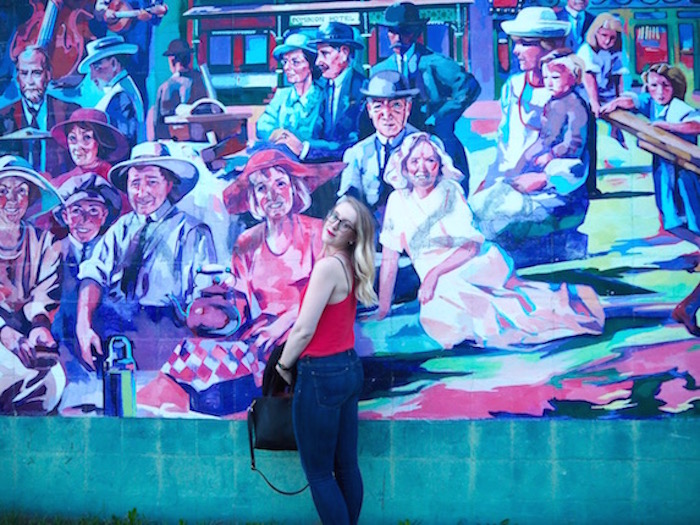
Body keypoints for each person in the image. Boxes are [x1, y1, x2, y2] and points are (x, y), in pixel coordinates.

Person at [146, 146, 346, 415]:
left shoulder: (318, 233)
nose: (273, 195)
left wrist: (280, 326)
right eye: (262, 189)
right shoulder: (246, 242)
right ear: (253, 199)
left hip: (305, 338)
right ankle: (159, 413)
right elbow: (241, 309)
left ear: (294, 189)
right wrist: (216, 305)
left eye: (280, 184)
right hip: (257, 344)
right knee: (188, 355)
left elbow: (327, 296)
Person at [377, 133, 605, 349]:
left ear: (439, 164)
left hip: (472, 262)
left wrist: (434, 275)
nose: (422, 168)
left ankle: (568, 308)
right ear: (404, 165)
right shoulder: (397, 201)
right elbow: (389, 256)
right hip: (438, 277)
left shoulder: (450, 191)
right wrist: (383, 308)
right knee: (441, 317)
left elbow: (471, 245)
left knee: (449, 306)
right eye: (415, 161)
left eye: (430, 160)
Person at [276, 196, 378, 525]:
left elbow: (304, 330)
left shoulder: (327, 267)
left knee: (320, 473)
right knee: (346, 465)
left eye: (344, 223)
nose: (333, 223)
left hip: (321, 373)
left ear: (353, 236)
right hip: (348, 368)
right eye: (334, 215)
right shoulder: (348, 263)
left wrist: (282, 365)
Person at [75, 141, 216, 370]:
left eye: (152, 182)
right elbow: (94, 272)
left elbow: (203, 298)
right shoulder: (121, 228)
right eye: (135, 183)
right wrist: (84, 323)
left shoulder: (191, 231)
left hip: (170, 340)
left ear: (169, 185)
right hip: (118, 336)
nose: (142, 193)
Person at [472, 8, 590, 266]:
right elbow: (504, 147)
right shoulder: (513, 86)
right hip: (511, 184)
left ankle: (562, 242)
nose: (516, 51)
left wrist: (544, 178)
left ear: (548, 48)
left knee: (490, 233)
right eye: (516, 43)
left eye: (525, 44)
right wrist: (489, 182)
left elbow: (578, 159)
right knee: (468, 216)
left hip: (553, 190)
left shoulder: (569, 96)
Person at [601, 64, 700, 337]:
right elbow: (633, 100)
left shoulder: (678, 107)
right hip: (667, 177)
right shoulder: (653, 102)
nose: (659, 92)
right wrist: (616, 103)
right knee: (675, 221)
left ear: (675, 87)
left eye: (664, 86)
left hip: (684, 178)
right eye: (653, 86)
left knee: (687, 218)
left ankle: (688, 307)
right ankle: (688, 307)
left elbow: (695, 124)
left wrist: (665, 126)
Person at [371, 1, 481, 182]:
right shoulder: (379, 71)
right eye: (392, 32)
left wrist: (442, 116)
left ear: (415, 33)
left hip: (435, 137)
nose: (397, 37)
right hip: (398, 144)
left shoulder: (435, 62)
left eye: (404, 31)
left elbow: (470, 86)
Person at [0, 157, 65, 414]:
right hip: (6, 338)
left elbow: (43, 294)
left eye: (22, 191)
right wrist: (5, 333)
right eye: (3, 191)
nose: (13, 200)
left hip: (25, 341)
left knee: (52, 382)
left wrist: (39, 326)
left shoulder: (44, 242)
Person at [52, 174, 122, 376]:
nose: (85, 219)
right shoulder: (53, 251)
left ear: (104, 215)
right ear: (65, 216)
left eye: (93, 210)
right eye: (76, 211)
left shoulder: (114, 252)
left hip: (105, 348)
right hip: (61, 351)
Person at [338, 70, 423, 222]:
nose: (386, 113)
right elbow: (348, 200)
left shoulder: (427, 147)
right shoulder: (357, 153)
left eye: (395, 105)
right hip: (370, 235)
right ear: (369, 110)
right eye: (378, 106)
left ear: (408, 108)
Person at [275, 22, 366, 163]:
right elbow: (318, 131)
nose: (318, 61)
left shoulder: (362, 90)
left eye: (325, 53)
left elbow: (354, 144)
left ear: (344, 53)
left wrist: (304, 149)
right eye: (318, 54)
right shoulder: (326, 86)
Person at [0, 46, 79, 175]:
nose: (30, 81)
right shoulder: (3, 118)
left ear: (48, 75)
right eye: (24, 74)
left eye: (36, 73)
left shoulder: (69, 113)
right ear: (18, 78)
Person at [515, 51, 589, 180]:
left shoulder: (575, 105)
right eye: (545, 78)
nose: (549, 83)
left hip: (568, 161)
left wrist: (550, 155)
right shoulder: (551, 103)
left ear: (572, 78)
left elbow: (573, 143)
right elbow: (545, 137)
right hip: (549, 155)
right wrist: (528, 157)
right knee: (522, 168)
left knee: (547, 177)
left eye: (555, 78)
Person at [77, 36, 145, 149]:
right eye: (91, 70)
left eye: (97, 68)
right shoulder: (122, 89)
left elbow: (122, 141)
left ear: (114, 64)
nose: (92, 77)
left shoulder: (120, 95)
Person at [256, 32, 322, 144]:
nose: (286, 67)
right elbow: (263, 124)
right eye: (285, 62)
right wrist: (276, 134)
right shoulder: (282, 95)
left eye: (295, 62)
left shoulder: (323, 97)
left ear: (311, 65)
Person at [49, 108, 129, 188]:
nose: (78, 146)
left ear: (100, 142)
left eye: (86, 138)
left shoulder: (114, 181)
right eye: (73, 138)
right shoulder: (59, 183)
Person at [152, 38, 208, 140]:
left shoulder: (164, 88)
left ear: (172, 60)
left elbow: (157, 123)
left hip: (172, 144)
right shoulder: (199, 82)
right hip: (198, 141)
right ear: (189, 59)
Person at [578, 13, 628, 118]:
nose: (607, 41)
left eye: (612, 37)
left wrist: (619, 100)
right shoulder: (586, 50)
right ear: (595, 32)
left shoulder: (615, 52)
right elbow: (589, 77)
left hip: (607, 96)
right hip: (586, 95)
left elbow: (618, 76)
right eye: (604, 35)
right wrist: (594, 103)